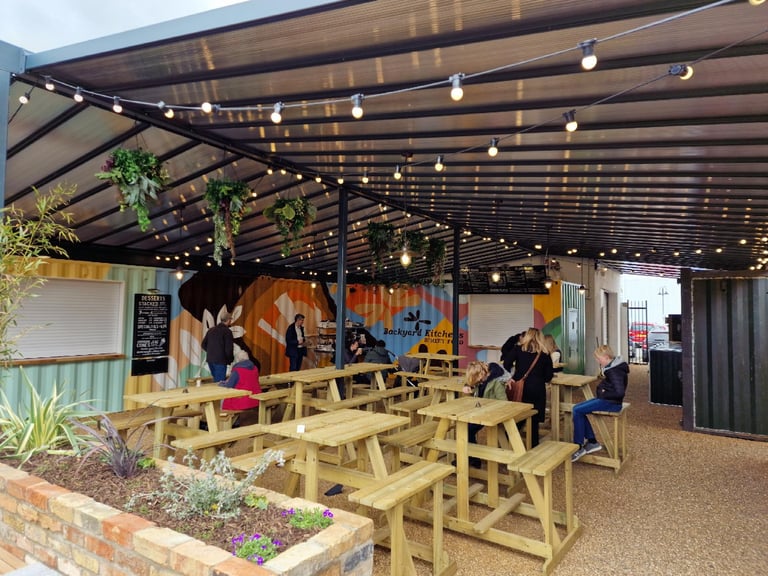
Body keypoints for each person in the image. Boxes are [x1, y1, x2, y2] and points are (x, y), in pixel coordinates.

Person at [571, 345, 629, 462]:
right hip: (608, 400)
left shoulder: (614, 371)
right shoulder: (614, 367)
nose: (598, 361)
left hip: (611, 403)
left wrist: (604, 393)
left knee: (577, 410)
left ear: (606, 357)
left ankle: (579, 446)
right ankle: (591, 442)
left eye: (599, 358)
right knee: (578, 409)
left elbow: (620, 392)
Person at [506, 327, 554, 447]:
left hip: (520, 388)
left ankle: (507, 441)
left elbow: (506, 363)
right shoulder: (545, 354)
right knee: (534, 419)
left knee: (518, 416)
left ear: (527, 337)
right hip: (537, 389)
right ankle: (533, 446)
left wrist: (510, 377)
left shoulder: (518, 349)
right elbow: (548, 377)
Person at [462, 360, 510, 468]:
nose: (477, 381)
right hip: (481, 412)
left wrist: (489, 407)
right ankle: (471, 458)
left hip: (492, 415)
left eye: (477, 379)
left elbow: (504, 403)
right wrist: (467, 386)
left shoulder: (496, 382)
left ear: (481, 374)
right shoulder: (481, 380)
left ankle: (472, 458)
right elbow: (472, 384)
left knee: (467, 429)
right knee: (464, 427)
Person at [219, 349, 261, 426]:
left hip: (242, 400)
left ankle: (224, 423)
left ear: (238, 359)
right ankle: (235, 422)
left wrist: (221, 384)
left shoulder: (237, 370)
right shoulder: (255, 368)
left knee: (222, 399)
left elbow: (229, 386)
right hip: (254, 399)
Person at [201, 311, 233, 383]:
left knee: (216, 381)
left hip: (210, 359)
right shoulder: (227, 332)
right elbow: (229, 349)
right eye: (230, 319)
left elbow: (203, 344)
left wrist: (211, 351)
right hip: (221, 361)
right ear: (228, 320)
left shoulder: (211, 330)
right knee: (220, 383)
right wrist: (230, 360)